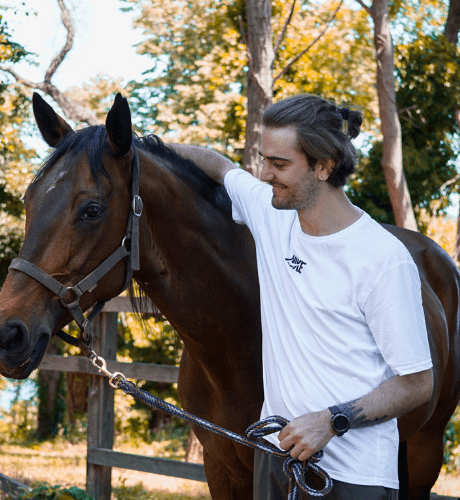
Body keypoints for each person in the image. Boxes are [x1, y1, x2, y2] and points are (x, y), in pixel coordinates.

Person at [172, 94, 433, 499]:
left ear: (324, 166)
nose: (265, 174)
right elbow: (218, 166)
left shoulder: (382, 259)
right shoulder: (271, 213)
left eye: (279, 165)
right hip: (276, 462)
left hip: (355, 480)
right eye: (264, 160)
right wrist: (135, 148)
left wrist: (332, 421)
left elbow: (416, 383)